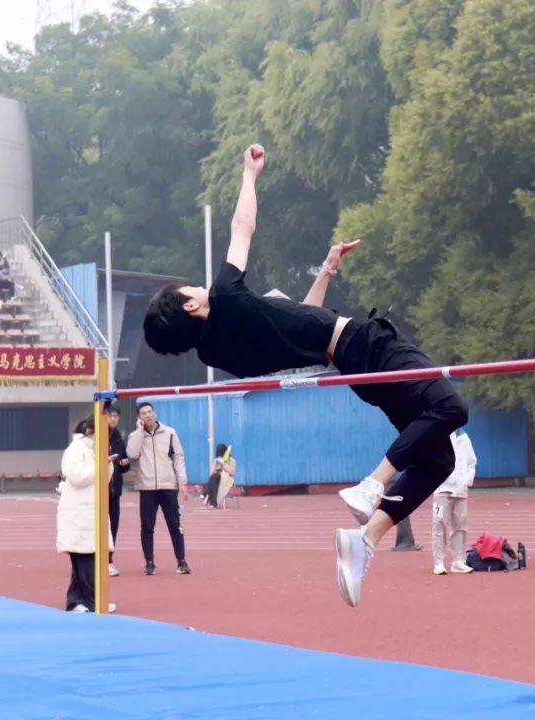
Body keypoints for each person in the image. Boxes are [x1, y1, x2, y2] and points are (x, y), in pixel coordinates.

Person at [141, 144, 469, 607]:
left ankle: (365, 541)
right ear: (191, 305)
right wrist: (249, 176)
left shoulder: (223, 353)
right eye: (187, 290)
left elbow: (301, 321)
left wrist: (328, 269)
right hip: (365, 343)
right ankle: (371, 484)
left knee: (440, 462)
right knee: (451, 407)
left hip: (350, 362)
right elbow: (242, 226)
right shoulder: (228, 294)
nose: (195, 285)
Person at [57, 417, 115, 613]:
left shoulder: (96, 450)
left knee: (87, 561)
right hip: (79, 513)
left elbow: (104, 478)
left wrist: (107, 463)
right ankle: (91, 601)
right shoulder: (75, 450)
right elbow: (78, 477)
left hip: (92, 510)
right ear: (91, 430)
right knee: (85, 560)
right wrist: (100, 464)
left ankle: (77, 601)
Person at [126, 401, 191, 576]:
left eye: (150, 412)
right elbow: (132, 454)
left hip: (168, 486)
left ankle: (181, 561)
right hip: (147, 487)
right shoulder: (136, 435)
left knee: (175, 525)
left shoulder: (169, 433)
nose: (147, 415)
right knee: (147, 526)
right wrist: (140, 431)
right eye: (143, 413)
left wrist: (182, 482)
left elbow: (178, 457)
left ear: (154, 413)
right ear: (139, 417)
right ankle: (149, 562)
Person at [432, 429, 477, 575]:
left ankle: (458, 561)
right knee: (439, 524)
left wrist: (466, 481)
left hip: (460, 491)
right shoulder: (438, 436)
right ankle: (438, 563)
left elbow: (471, 462)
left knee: (460, 526)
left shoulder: (464, 438)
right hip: (442, 489)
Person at [105, 406, 130, 578]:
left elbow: (123, 466)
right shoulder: (96, 438)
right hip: (97, 491)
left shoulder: (119, 441)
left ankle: (109, 561)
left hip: (114, 491)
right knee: (95, 527)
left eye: (115, 416)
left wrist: (125, 464)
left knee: (113, 526)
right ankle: (91, 562)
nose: (113, 419)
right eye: (110, 416)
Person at [205, 443, 236, 509]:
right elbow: (212, 472)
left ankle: (205, 493)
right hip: (217, 478)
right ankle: (213, 503)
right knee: (214, 477)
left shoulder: (232, 460)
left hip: (227, 478)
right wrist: (216, 465)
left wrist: (223, 464)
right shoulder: (217, 459)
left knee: (214, 478)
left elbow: (232, 472)